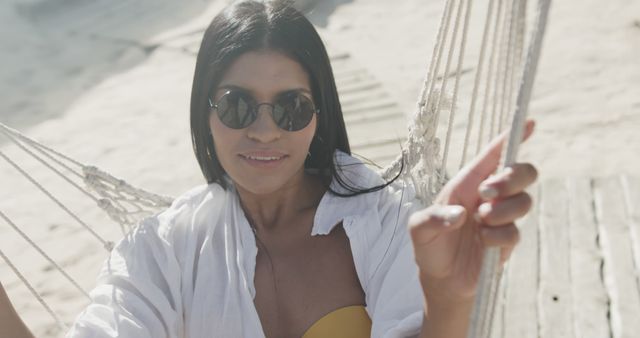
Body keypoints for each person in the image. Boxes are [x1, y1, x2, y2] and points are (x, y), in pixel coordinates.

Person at [0, 1, 537, 337]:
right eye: (236, 105)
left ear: (318, 115)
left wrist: (449, 296)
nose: (263, 130)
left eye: (290, 107)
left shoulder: (386, 223)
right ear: (204, 114)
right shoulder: (164, 251)